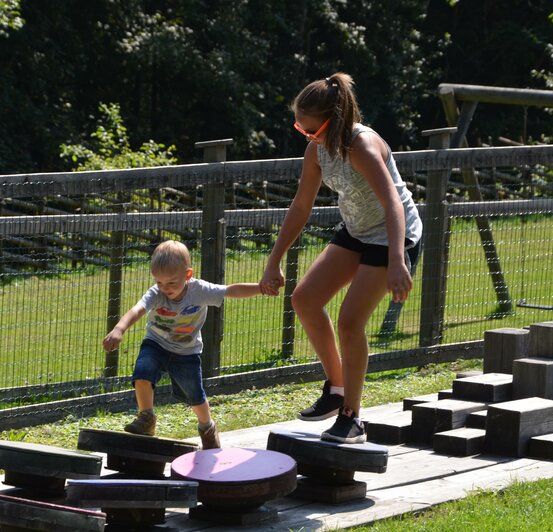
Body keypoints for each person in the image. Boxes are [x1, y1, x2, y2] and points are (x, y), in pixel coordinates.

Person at [259, 72, 422, 444]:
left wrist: (398, 261)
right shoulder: (317, 150)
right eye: (302, 129)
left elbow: (392, 204)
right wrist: (273, 260)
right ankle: (335, 390)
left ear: (334, 120)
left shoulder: (361, 146)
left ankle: (352, 416)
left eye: (311, 129)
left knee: (350, 322)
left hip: (395, 234)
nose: (307, 135)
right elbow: (301, 206)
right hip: (358, 228)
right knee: (305, 298)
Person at [103, 240, 263, 449]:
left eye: (171, 283)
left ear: (188, 275)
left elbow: (231, 291)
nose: (165, 288)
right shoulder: (156, 292)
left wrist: (260, 288)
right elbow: (138, 309)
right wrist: (119, 328)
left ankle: (207, 428)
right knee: (142, 374)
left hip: (187, 352)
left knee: (195, 395)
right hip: (156, 344)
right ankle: (146, 417)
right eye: (159, 282)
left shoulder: (200, 290)